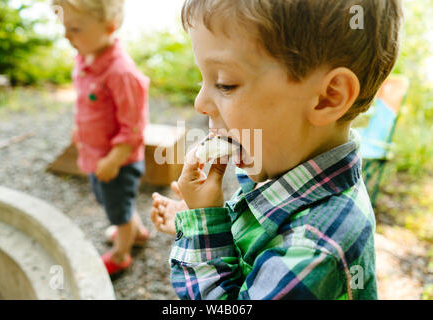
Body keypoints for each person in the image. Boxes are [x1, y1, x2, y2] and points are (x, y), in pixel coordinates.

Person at [151, 0, 403, 299]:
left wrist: (203, 232)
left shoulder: (313, 250)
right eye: (202, 79)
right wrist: (209, 222)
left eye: (225, 83)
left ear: (327, 98)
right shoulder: (288, 163)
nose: (200, 104)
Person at [53, 0, 150, 275]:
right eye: (64, 28)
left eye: (75, 28)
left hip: (116, 161)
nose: (66, 36)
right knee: (112, 200)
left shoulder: (121, 72)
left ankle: (121, 254)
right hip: (96, 155)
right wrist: (80, 131)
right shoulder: (86, 59)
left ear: (109, 27)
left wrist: (114, 159)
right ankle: (137, 231)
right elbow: (88, 104)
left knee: (118, 208)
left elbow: (134, 127)